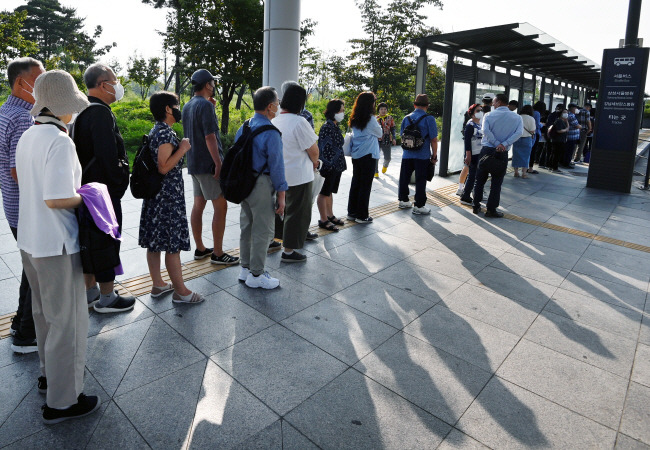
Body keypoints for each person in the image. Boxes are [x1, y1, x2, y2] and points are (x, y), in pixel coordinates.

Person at [16, 69, 101, 424]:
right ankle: (63, 401)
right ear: (61, 106)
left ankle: (50, 376)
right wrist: (89, 197)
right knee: (67, 321)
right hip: (57, 244)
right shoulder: (60, 141)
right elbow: (56, 199)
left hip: (30, 240)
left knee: (44, 315)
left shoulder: (28, 136)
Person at [73, 63, 135, 313]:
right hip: (102, 192)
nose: (117, 85)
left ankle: (90, 292)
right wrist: (118, 184)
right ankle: (107, 298)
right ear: (102, 84)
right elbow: (107, 156)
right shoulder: (100, 113)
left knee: (89, 241)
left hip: (87, 189)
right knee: (106, 240)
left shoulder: (82, 110)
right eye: (114, 80)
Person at [139, 92, 203, 304]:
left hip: (156, 197)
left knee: (155, 242)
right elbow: (164, 166)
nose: (179, 108)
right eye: (176, 105)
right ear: (167, 109)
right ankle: (181, 292)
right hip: (167, 199)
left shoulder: (157, 129)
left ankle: (158, 285)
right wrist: (183, 148)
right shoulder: (165, 133)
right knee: (171, 244)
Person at [0, 57, 44, 354]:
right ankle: (26, 335)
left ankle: (19, 323)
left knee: (30, 268)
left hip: (13, 205)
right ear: (21, 83)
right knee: (37, 271)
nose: (41, 87)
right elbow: (19, 170)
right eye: (38, 81)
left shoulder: (5, 112)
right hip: (26, 206)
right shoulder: (21, 118)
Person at [182, 69, 239, 266]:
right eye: (213, 83)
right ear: (207, 85)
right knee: (220, 206)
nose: (214, 86)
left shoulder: (187, 105)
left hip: (194, 163)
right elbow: (209, 136)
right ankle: (218, 253)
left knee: (198, 205)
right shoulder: (205, 106)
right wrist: (218, 162)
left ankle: (200, 248)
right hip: (208, 164)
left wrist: (210, 107)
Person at [236, 87, 287, 289]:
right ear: (269, 106)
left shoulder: (245, 126)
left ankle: (245, 268)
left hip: (244, 183)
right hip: (262, 185)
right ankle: (257, 275)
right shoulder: (271, 133)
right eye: (277, 102)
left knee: (246, 226)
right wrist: (281, 196)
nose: (278, 106)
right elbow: (277, 167)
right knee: (263, 230)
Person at [272, 82, 319, 263]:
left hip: (278, 175)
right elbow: (313, 151)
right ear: (300, 102)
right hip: (299, 176)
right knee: (296, 213)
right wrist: (316, 162)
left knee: (279, 210)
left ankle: (275, 239)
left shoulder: (274, 120)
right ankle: (289, 251)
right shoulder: (300, 122)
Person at [472, 93, 523, 218]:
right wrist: (503, 144)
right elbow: (519, 133)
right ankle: (491, 209)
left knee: (480, 179)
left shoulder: (489, 115)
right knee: (497, 182)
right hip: (502, 153)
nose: (492, 104)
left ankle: (476, 205)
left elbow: (485, 131)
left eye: (494, 102)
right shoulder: (517, 118)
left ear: (499, 102)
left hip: (487, 150)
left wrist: (495, 143)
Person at [398, 94, 438, 216]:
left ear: (414, 105)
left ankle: (403, 200)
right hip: (422, 155)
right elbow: (434, 139)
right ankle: (419, 206)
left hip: (407, 154)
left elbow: (402, 135)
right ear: (427, 106)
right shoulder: (429, 119)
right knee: (421, 180)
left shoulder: (407, 118)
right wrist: (434, 155)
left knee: (404, 178)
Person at [348, 92, 382, 223]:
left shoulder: (354, 117)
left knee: (356, 182)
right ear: (370, 104)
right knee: (365, 185)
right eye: (373, 101)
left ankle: (352, 212)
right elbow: (379, 133)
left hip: (356, 154)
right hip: (368, 155)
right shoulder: (371, 119)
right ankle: (362, 215)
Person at [317, 99, 347, 231]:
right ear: (334, 111)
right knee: (324, 193)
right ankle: (323, 220)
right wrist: (328, 165)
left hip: (336, 166)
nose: (343, 113)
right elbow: (323, 149)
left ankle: (330, 215)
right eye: (341, 110)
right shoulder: (326, 127)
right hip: (329, 166)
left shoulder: (334, 126)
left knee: (329, 192)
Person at [459, 104, 483, 206]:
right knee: (472, 175)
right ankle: (465, 196)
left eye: (481, 110)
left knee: (475, 175)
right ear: (472, 114)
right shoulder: (470, 125)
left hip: (480, 153)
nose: (480, 112)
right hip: (473, 154)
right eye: (478, 111)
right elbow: (467, 142)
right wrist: (468, 155)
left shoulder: (481, 124)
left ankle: (468, 194)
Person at [512, 105, 536, 179]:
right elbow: (532, 130)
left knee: (516, 155)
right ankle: (524, 173)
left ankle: (516, 172)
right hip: (527, 139)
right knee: (526, 156)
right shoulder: (531, 118)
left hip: (517, 138)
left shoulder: (517, 117)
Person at [375, 102, 396, 177]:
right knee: (376, 156)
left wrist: (394, 138)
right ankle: (376, 172)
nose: (383, 111)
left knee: (388, 157)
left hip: (387, 139)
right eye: (381, 109)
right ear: (379, 110)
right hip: (376, 140)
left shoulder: (390, 118)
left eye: (385, 109)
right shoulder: (375, 119)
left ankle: (385, 166)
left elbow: (393, 128)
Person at [547, 107, 570, 173]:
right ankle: (554, 168)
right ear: (561, 114)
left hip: (559, 140)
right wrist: (565, 130)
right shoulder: (559, 121)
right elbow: (559, 130)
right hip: (558, 140)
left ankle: (551, 166)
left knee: (555, 153)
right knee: (556, 154)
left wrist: (567, 122)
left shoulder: (563, 121)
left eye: (567, 113)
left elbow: (567, 128)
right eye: (564, 112)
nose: (566, 114)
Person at [527, 101, 546, 174]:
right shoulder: (537, 113)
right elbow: (537, 125)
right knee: (533, 151)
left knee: (529, 151)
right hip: (535, 134)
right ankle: (530, 168)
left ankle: (526, 167)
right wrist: (542, 124)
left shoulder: (531, 112)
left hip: (528, 133)